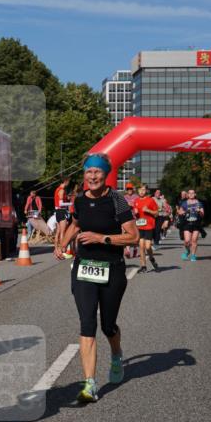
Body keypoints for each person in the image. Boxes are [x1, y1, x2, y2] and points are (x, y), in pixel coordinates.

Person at [55, 155, 138, 403]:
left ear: (106, 175)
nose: (92, 177)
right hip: (84, 268)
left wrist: (101, 238)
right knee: (87, 323)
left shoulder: (118, 201)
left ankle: (115, 354)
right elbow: (77, 224)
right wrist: (62, 243)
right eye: (88, 172)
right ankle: (90, 384)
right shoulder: (79, 200)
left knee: (108, 325)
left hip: (112, 269)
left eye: (97, 172)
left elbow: (133, 236)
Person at [132, 185, 159, 273]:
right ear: (137, 191)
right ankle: (143, 266)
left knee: (148, 246)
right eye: (140, 190)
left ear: (146, 191)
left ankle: (151, 258)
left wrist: (148, 210)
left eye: (143, 190)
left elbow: (156, 213)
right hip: (140, 226)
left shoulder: (150, 200)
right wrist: (135, 213)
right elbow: (136, 213)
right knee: (141, 247)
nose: (141, 191)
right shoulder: (136, 201)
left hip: (149, 226)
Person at [178, 188, 205, 261]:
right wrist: (186, 211)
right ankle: (187, 251)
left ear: (195, 194)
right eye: (189, 193)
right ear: (188, 194)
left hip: (196, 223)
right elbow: (179, 212)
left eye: (192, 193)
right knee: (187, 241)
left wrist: (199, 211)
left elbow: (203, 214)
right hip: (187, 223)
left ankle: (193, 255)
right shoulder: (184, 203)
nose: (191, 194)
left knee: (194, 240)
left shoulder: (199, 203)